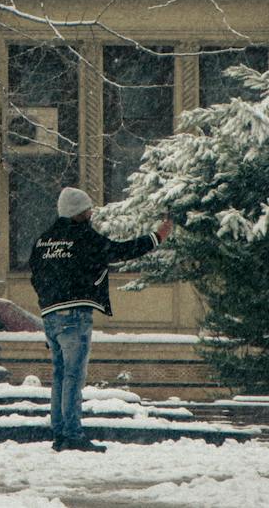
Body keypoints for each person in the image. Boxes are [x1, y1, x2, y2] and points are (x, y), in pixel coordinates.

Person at [27, 187, 172, 452]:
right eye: (87, 210)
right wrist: (155, 238)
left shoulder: (43, 240)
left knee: (60, 375)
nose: (91, 214)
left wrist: (49, 302)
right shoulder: (83, 237)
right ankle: (72, 435)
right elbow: (118, 251)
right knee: (73, 376)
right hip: (75, 315)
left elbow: (35, 275)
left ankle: (59, 432)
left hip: (50, 316)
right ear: (78, 212)